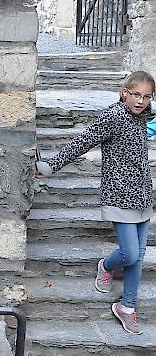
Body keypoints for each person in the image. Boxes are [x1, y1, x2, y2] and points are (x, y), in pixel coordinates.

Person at [36, 69, 155, 335]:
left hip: (143, 196)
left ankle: (127, 307)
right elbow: (83, 141)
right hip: (119, 196)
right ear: (125, 92)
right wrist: (51, 165)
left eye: (147, 97)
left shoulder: (146, 117)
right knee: (130, 253)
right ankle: (105, 265)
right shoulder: (113, 117)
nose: (140, 101)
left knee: (139, 257)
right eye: (136, 94)